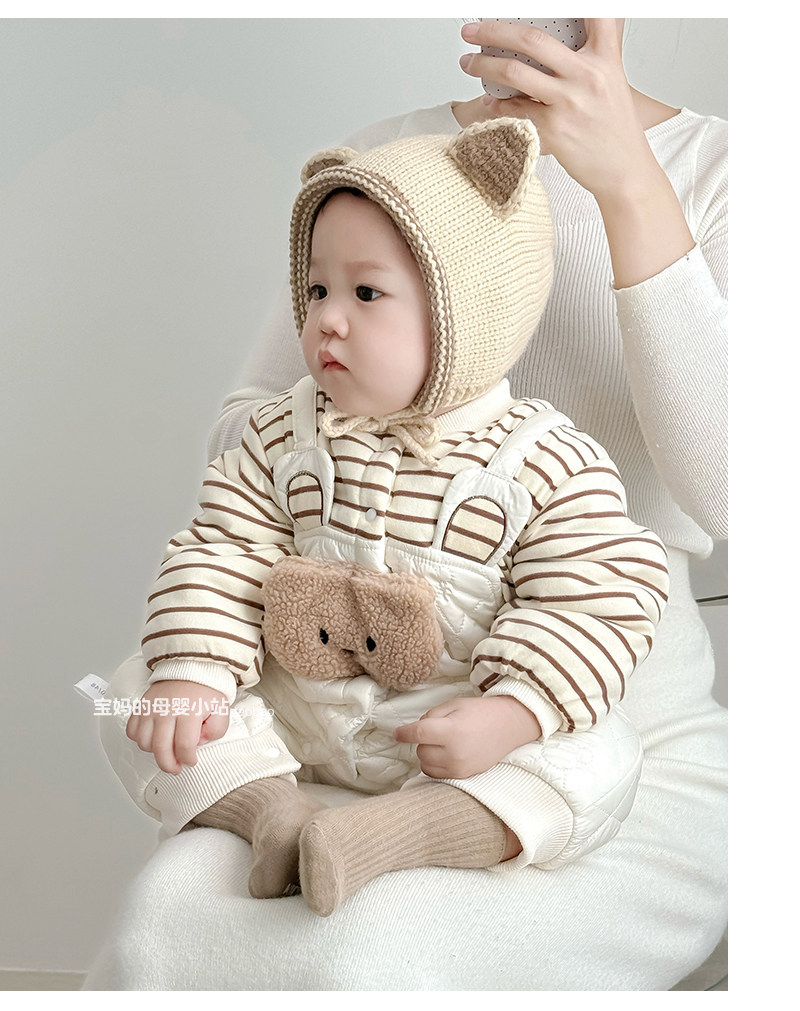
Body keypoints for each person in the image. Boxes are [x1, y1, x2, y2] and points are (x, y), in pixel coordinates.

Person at [84, 19, 726, 989]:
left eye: (365, 296)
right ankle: (266, 809)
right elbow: (224, 527)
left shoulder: (547, 460)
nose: (325, 320)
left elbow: (717, 515)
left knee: (587, 767)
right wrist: (213, 652)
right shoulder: (379, 178)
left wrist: (630, 184)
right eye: (315, 292)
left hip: (539, 699)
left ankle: (421, 826)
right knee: (136, 690)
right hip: (313, 698)